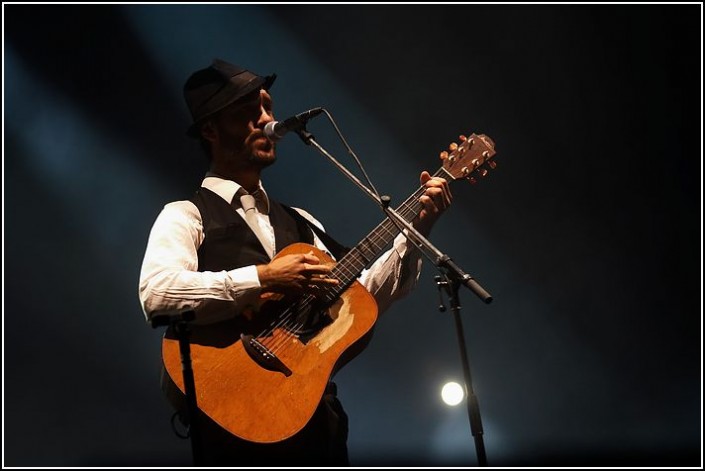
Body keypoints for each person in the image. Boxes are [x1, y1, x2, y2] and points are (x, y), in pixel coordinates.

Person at [138, 58, 452, 466]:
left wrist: (420, 227)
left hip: (316, 425)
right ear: (211, 130)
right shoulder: (186, 214)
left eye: (267, 107)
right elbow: (157, 293)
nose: (267, 120)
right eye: (249, 112)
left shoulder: (302, 223)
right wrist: (265, 277)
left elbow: (362, 299)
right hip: (232, 429)